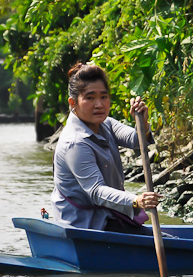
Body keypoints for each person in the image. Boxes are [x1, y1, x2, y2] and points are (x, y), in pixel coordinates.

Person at [49, 62, 162, 233]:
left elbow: (136, 141)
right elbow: (95, 190)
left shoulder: (105, 124)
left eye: (103, 96)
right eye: (89, 98)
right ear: (73, 103)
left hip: (109, 215)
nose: (99, 104)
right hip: (84, 224)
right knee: (170, 244)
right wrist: (136, 200)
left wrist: (142, 122)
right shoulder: (75, 142)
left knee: (168, 240)